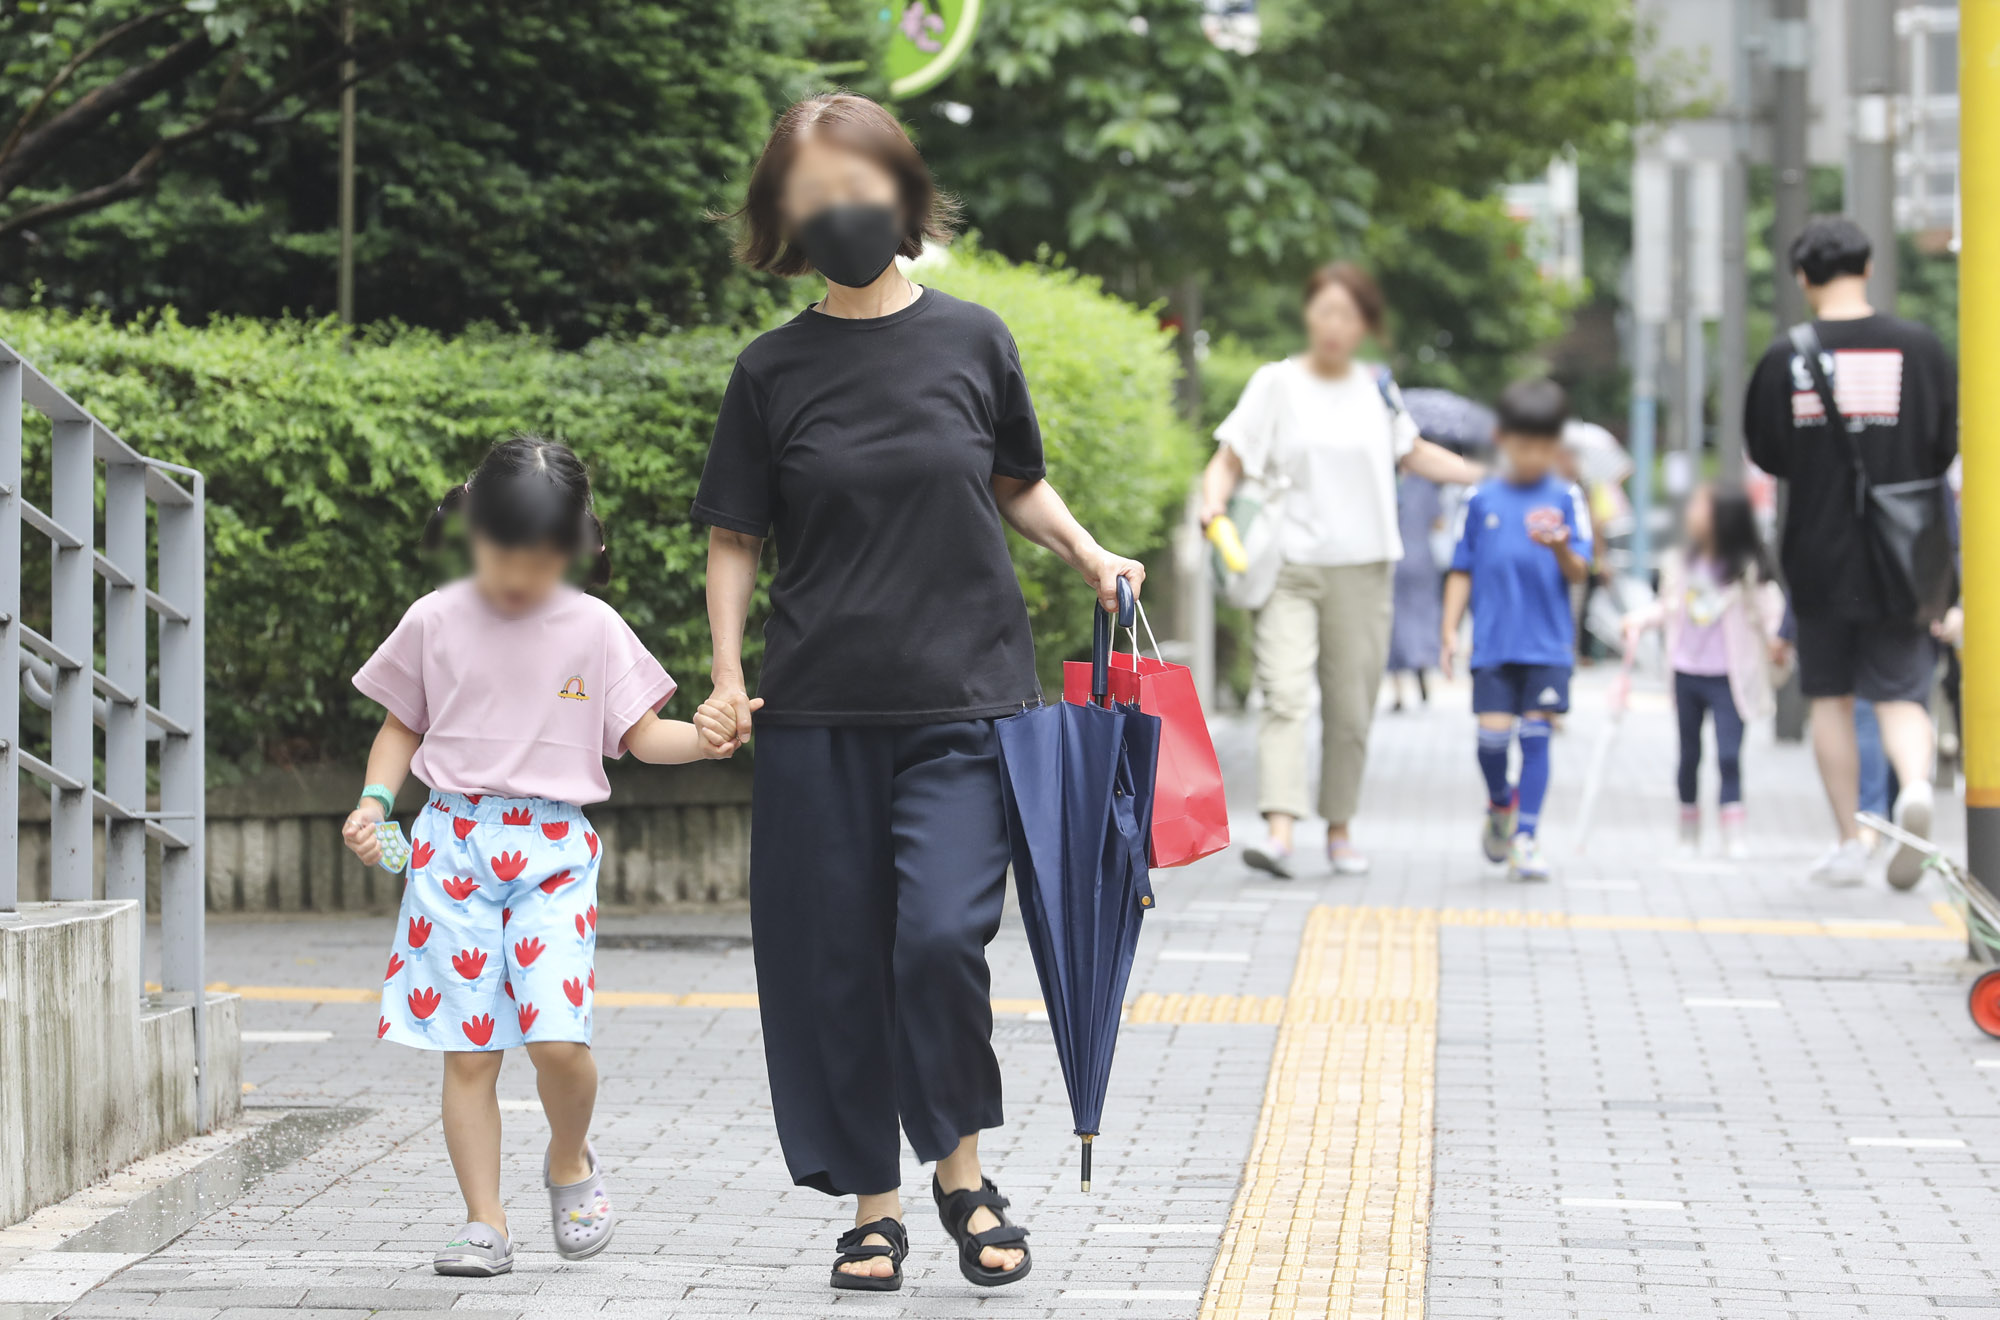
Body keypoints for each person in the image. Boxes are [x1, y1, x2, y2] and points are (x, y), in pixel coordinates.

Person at [693, 92, 1145, 1293]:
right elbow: (734, 533)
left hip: (963, 700)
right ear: (783, 218)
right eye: (811, 194)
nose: (838, 209)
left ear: (899, 191)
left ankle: (961, 1172)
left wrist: (1087, 553)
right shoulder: (770, 368)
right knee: (837, 962)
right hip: (816, 712)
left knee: (940, 938)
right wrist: (728, 676)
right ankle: (872, 1206)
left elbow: (1013, 479)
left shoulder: (972, 340)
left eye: (856, 185)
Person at [341, 436, 737, 1277]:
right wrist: (375, 802)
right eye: (505, 554)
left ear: (574, 546)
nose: (522, 575)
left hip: (553, 850)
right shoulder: (433, 618)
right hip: (450, 847)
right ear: (473, 530)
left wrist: (703, 740)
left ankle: (568, 1154)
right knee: (470, 1051)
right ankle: (484, 1222)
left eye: (542, 558)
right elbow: (401, 726)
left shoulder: (595, 627)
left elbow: (641, 735)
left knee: (558, 1039)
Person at [1198, 262, 1482, 878]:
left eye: (1348, 315)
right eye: (1324, 311)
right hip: (1289, 566)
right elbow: (1229, 459)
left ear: (1366, 325)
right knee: (1284, 695)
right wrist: (1212, 504)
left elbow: (1414, 453)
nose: (1333, 325)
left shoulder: (1377, 389)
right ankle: (1279, 832)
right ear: (1309, 315)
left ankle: (1340, 829)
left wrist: (1487, 476)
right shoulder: (1276, 383)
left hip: (1364, 569)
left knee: (1351, 711)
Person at [1744, 217, 1958, 888]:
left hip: (1818, 552)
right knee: (1901, 694)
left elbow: (1768, 454)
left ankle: (1849, 841)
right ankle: (1914, 787)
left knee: (1832, 698)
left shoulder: (1786, 357)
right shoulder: (1919, 348)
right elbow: (1942, 448)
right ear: (1867, 268)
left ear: (1802, 278)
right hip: (1903, 555)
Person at [1439, 379, 1593, 882]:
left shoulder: (1567, 497)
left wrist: (1560, 547)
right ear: (1502, 438)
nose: (1534, 457)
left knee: (1536, 737)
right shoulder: (1479, 498)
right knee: (1490, 741)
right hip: (1493, 644)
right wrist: (1449, 629)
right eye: (1524, 446)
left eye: (1544, 447)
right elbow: (1461, 568)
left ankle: (1526, 838)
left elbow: (1580, 571)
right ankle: (1500, 803)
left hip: (1547, 644)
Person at [1622, 485, 1789, 858]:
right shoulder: (1682, 561)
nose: (1692, 513)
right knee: (1688, 756)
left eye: (1701, 507)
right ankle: (1688, 830)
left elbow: (1770, 611)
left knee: (1728, 755)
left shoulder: (1747, 568)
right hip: (1686, 674)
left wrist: (1779, 641)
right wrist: (1638, 621)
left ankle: (1733, 832)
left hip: (1730, 676)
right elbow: (1667, 607)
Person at [1387, 472, 1444, 710]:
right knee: (1422, 616)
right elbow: (1439, 523)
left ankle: (1398, 691)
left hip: (1392, 559)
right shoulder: (1426, 486)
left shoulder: (1386, 483)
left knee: (1393, 622)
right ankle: (1421, 667)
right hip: (1421, 559)